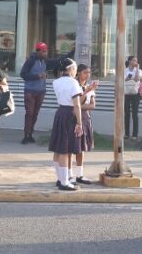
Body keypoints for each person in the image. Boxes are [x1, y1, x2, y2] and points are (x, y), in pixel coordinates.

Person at [49, 58, 84, 191]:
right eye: (75, 68)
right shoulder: (73, 83)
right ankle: (64, 182)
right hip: (69, 114)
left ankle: (60, 179)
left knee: (58, 148)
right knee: (65, 148)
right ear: (71, 69)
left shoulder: (56, 82)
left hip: (60, 113)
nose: (76, 71)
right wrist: (79, 123)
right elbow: (77, 104)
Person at [72, 63, 97, 184]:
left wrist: (81, 106)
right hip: (75, 118)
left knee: (82, 148)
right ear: (79, 73)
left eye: (89, 72)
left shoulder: (88, 87)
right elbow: (75, 104)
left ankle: (80, 174)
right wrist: (86, 92)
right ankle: (69, 174)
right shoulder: (75, 86)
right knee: (72, 147)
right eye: (85, 72)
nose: (87, 75)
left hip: (86, 118)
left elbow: (92, 105)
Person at [19, 42, 48, 144]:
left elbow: (57, 62)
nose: (45, 53)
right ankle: (26, 135)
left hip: (41, 91)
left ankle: (30, 134)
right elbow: (23, 74)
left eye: (46, 51)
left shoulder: (44, 61)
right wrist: (37, 76)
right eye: (43, 51)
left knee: (35, 114)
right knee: (29, 113)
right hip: (30, 91)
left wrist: (71, 52)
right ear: (38, 51)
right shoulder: (30, 61)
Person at [124, 55, 142, 140]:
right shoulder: (125, 70)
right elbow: (124, 79)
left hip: (136, 94)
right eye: (134, 60)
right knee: (127, 114)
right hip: (127, 93)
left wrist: (137, 68)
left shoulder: (139, 70)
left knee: (135, 114)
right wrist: (130, 78)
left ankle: (135, 134)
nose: (135, 62)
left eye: (136, 61)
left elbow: (137, 79)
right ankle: (127, 134)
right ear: (129, 61)